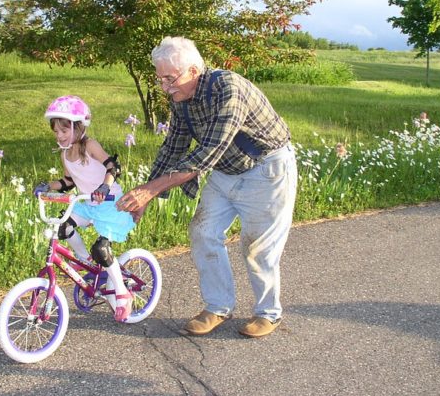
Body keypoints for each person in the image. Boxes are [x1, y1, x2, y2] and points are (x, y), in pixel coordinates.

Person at [116, 36, 297, 338]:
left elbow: (208, 152)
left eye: (169, 79)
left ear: (193, 71)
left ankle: (268, 313)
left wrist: (152, 189)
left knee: (258, 248)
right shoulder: (181, 101)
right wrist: (147, 194)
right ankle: (218, 307)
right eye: (160, 79)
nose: (164, 87)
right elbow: (173, 147)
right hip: (226, 171)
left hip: (266, 170)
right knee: (202, 231)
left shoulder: (229, 89)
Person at [34, 95, 136, 322]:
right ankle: (86, 262)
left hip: (110, 204)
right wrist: (47, 186)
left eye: (64, 130)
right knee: (64, 228)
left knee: (102, 249)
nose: (59, 136)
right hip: (88, 204)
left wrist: (104, 187)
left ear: (78, 127)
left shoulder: (90, 145)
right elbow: (68, 182)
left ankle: (121, 293)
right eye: (56, 132)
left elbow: (113, 167)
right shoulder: (65, 154)